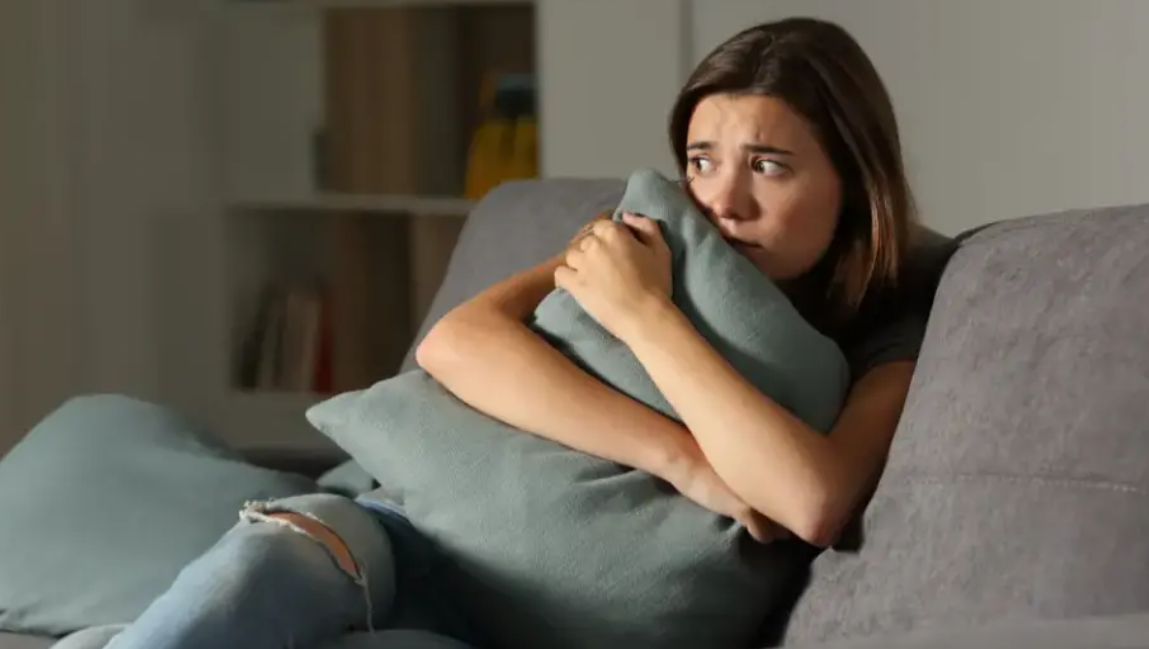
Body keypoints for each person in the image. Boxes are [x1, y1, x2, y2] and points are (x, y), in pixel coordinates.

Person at [55, 16, 923, 649]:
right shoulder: (646, 239)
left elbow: (809, 499)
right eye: (700, 160)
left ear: (851, 180)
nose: (722, 200)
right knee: (262, 570)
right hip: (398, 529)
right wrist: (685, 460)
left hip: (526, 620)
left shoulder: (888, 325)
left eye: (767, 165)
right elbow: (457, 345)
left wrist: (646, 317)